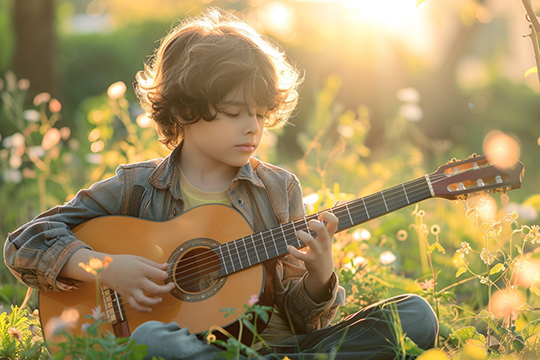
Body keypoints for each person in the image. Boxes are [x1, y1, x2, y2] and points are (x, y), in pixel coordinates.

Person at [4, 7, 438, 359]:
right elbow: (26, 240)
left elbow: (299, 318)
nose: (253, 128)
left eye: (261, 114)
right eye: (234, 112)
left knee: (416, 316)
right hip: (184, 346)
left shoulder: (278, 189)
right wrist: (108, 267)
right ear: (182, 110)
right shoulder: (137, 186)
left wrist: (320, 278)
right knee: (153, 339)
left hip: (281, 348)